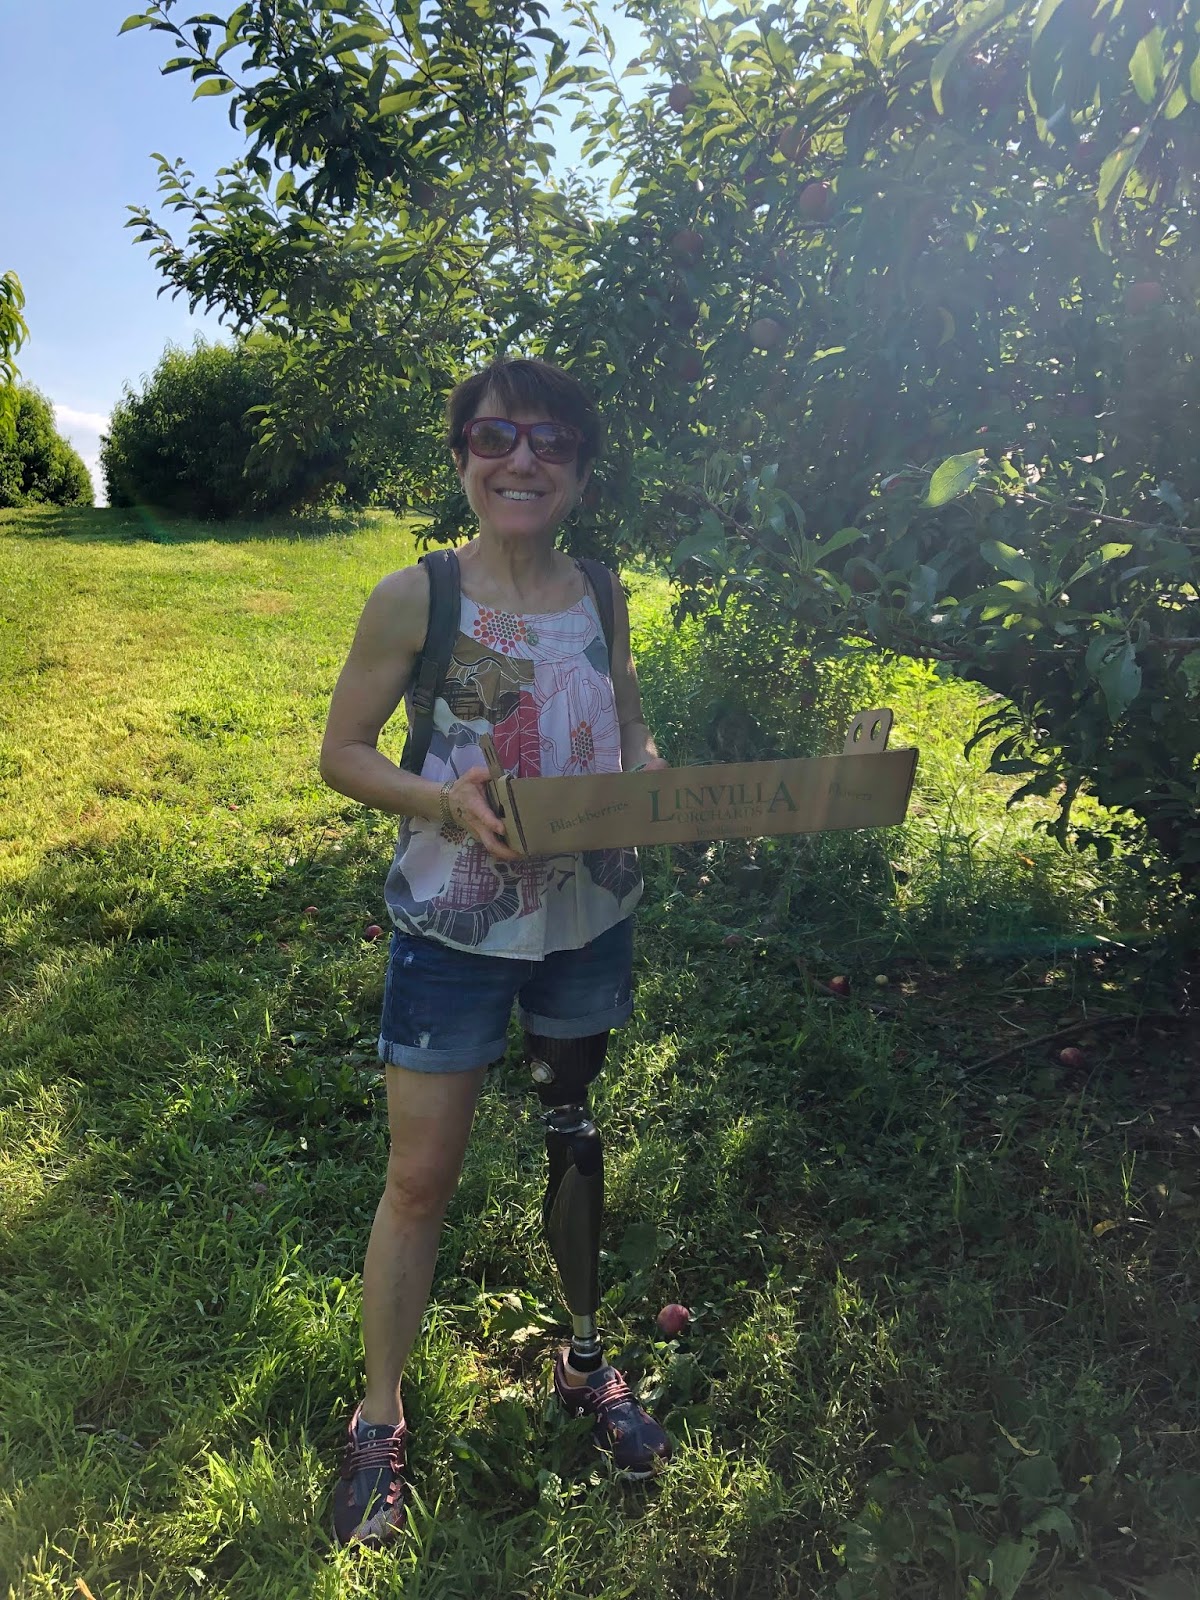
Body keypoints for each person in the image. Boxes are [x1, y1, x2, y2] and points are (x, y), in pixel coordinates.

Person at [319, 357, 671, 1548]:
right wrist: (442, 803)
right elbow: (343, 751)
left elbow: (626, 719)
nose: (523, 459)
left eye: (551, 441)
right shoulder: (417, 595)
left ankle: (585, 1361)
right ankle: (379, 1418)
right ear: (464, 455)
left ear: (580, 471)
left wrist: (649, 773)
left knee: (576, 1137)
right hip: (454, 930)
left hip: (586, 921)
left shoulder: (605, 591)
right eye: (497, 436)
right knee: (420, 1179)